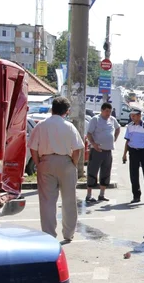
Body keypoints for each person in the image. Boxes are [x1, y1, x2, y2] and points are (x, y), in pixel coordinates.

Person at [28, 97, 84, 243]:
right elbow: (77, 149)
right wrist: (73, 163)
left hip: (46, 162)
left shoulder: (41, 126)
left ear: (52, 109)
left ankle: (48, 234)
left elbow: (33, 148)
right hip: (66, 162)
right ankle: (68, 233)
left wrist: (38, 163)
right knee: (69, 200)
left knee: (47, 201)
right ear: (67, 111)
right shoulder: (69, 126)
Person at [86, 102, 121, 202]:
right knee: (92, 172)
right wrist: (94, 144)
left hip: (108, 151)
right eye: (106, 111)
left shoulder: (112, 119)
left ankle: (102, 194)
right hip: (97, 150)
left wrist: (114, 138)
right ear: (102, 110)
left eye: (110, 111)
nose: (108, 113)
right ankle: (89, 195)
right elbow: (89, 134)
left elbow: (118, 128)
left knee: (105, 173)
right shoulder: (95, 119)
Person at [123, 108, 144, 203]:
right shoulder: (129, 127)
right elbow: (127, 141)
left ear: (139, 116)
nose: (132, 118)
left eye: (134, 116)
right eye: (131, 116)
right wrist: (124, 154)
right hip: (133, 152)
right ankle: (136, 196)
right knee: (134, 175)